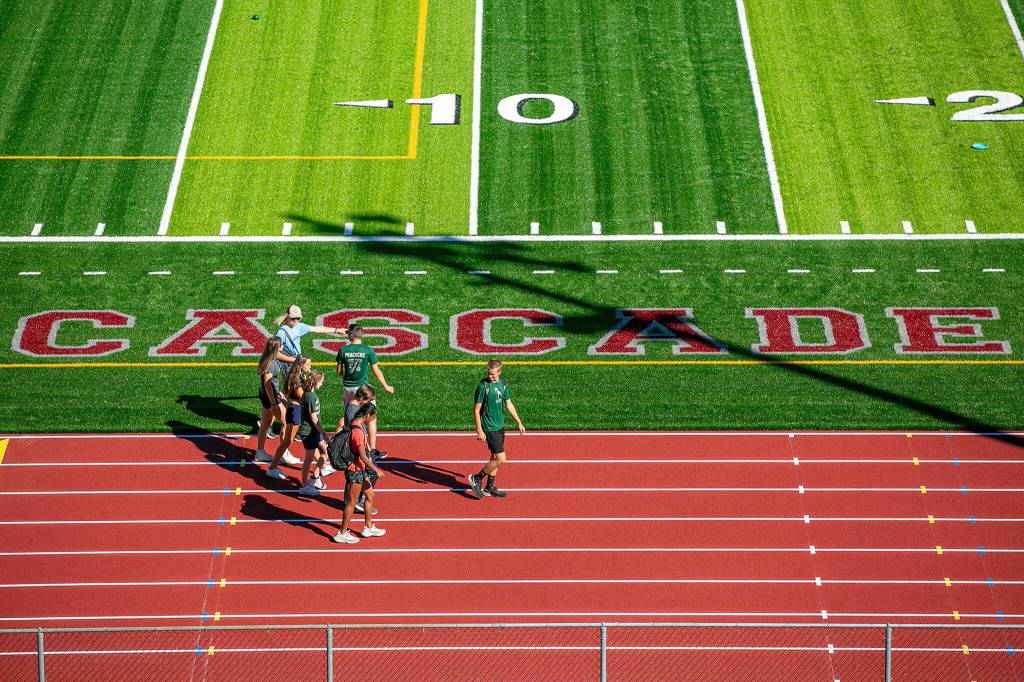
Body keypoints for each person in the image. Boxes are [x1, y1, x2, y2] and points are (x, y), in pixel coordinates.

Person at [467, 358, 525, 499]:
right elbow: (476, 409)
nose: (490, 376)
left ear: (500, 372)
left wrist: (519, 422)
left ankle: (489, 487)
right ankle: (477, 478)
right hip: (489, 427)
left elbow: (509, 403)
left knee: (494, 457)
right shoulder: (483, 387)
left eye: (493, 374)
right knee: (501, 458)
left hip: (500, 425)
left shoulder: (503, 383)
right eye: (489, 373)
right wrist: (479, 430)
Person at [336, 324, 394, 459]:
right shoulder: (368, 351)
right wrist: (386, 386)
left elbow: (339, 371)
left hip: (348, 388)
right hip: (364, 389)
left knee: (349, 417)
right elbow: (376, 371)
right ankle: (372, 450)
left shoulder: (343, 350)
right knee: (371, 418)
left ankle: (344, 445)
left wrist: (345, 374)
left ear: (351, 335)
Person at [333, 403, 386, 544]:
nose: (373, 420)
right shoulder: (358, 431)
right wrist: (376, 470)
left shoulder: (356, 423)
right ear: (367, 416)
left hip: (360, 470)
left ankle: (368, 527)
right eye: (372, 417)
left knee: (370, 495)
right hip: (355, 471)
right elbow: (363, 456)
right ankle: (341, 533)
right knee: (352, 503)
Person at [266, 355, 311, 480]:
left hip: (294, 410)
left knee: (308, 437)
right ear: (301, 366)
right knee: (288, 441)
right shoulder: (297, 380)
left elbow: (284, 392)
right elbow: (305, 398)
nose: (310, 367)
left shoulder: (295, 376)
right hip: (296, 411)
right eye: (308, 364)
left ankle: (322, 463)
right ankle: (272, 467)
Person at [340, 384, 381, 514]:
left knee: (352, 477)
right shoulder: (353, 410)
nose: (368, 404)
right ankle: (361, 500)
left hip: (355, 447)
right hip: (358, 448)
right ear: (362, 398)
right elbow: (355, 431)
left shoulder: (352, 406)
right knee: (372, 472)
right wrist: (365, 447)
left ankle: (349, 500)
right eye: (368, 401)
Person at [296, 370, 331, 497]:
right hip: (310, 432)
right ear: (315, 382)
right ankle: (304, 486)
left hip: (314, 431)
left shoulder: (308, 393)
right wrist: (324, 433)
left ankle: (315, 477)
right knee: (308, 460)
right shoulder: (311, 397)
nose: (322, 384)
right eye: (321, 382)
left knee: (325, 452)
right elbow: (314, 419)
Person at [254, 337, 287, 463]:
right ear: (277, 349)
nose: (283, 347)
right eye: (281, 345)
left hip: (266, 395)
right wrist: (274, 402)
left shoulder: (267, 359)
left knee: (265, 423)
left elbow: (268, 383)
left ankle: (260, 452)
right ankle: (284, 454)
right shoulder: (271, 364)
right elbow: (267, 382)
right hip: (270, 397)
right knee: (286, 422)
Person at [273, 304, 344, 361]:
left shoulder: (299, 326)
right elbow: (276, 354)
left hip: (297, 362)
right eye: (293, 318)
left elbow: (317, 329)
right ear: (287, 316)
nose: (296, 320)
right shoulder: (282, 333)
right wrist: (293, 360)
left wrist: (337, 330)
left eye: (298, 318)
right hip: (289, 364)